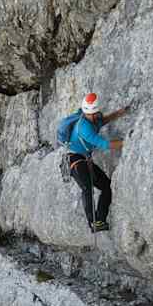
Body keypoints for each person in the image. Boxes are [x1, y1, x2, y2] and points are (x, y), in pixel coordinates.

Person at [65, 92, 131, 232]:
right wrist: (129, 142)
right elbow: (104, 144)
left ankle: (100, 219)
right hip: (75, 160)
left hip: (84, 160)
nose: (92, 117)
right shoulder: (84, 127)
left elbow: (103, 120)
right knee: (87, 188)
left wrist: (119, 113)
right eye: (90, 115)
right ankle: (93, 222)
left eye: (94, 114)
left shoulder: (94, 118)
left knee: (107, 186)